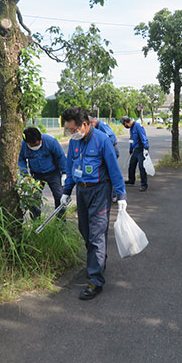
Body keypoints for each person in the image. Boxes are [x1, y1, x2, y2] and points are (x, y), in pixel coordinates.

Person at [60, 107, 127, 300]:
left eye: (73, 129)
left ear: (85, 125)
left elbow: (114, 170)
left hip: (99, 191)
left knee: (97, 233)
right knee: (85, 230)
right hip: (82, 190)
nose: (71, 133)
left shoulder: (102, 140)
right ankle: (97, 261)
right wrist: (66, 191)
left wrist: (121, 196)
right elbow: (71, 167)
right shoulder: (74, 143)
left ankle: (95, 280)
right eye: (68, 130)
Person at [18, 127, 68, 219]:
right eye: (31, 146)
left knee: (59, 196)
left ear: (40, 138)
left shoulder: (51, 141)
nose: (34, 147)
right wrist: (24, 176)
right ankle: (36, 221)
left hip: (53, 173)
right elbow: (21, 160)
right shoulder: (23, 145)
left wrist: (65, 173)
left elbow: (60, 157)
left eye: (36, 144)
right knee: (33, 198)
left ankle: (60, 221)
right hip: (35, 175)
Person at [89, 116, 120, 202]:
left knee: (110, 172)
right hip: (108, 150)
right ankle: (111, 195)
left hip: (111, 149)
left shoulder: (102, 125)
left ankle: (114, 195)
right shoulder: (98, 126)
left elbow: (110, 138)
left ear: (92, 123)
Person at [120, 116, 149, 192]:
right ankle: (131, 180)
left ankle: (144, 184)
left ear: (126, 123)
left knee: (141, 167)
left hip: (141, 149)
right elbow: (131, 140)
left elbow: (143, 138)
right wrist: (130, 149)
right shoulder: (131, 128)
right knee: (132, 165)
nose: (124, 126)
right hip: (135, 150)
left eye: (124, 125)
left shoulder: (138, 126)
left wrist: (146, 148)